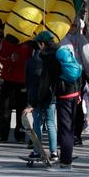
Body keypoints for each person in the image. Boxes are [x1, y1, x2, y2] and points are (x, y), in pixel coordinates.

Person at [24, 31, 59, 163]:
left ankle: (37, 151)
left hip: (36, 97)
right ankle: (54, 152)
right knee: (50, 123)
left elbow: (28, 82)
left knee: (37, 123)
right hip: (51, 96)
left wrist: (30, 101)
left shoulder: (32, 61)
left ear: (41, 44)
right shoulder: (55, 57)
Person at [61, 22, 89, 145]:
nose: (72, 28)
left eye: (74, 25)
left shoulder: (81, 40)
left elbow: (87, 59)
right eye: (70, 25)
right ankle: (66, 133)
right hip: (66, 75)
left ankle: (76, 134)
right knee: (66, 105)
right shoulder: (63, 38)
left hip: (79, 75)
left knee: (78, 105)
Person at [0, 33, 32, 143]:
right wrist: (10, 58)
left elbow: (32, 59)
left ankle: (20, 135)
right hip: (8, 78)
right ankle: (3, 134)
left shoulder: (29, 41)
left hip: (23, 80)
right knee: (5, 108)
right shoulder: (7, 40)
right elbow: (1, 57)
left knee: (21, 109)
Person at [54, 40, 83, 170]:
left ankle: (65, 160)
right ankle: (68, 156)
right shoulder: (74, 63)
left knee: (64, 129)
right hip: (75, 96)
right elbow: (80, 78)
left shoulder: (58, 62)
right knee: (70, 128)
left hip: (64, 97)